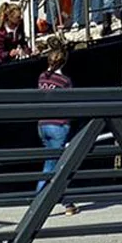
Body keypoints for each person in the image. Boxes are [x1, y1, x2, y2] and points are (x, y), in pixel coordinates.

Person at [35, 38, 75, 209]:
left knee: (50, 161)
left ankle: (58, 199)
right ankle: (41, 201)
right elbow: (70, 103)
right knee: (56, 165)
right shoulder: (65, 81)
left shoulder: (42, 77)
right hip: (58, 125)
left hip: (42, 124)